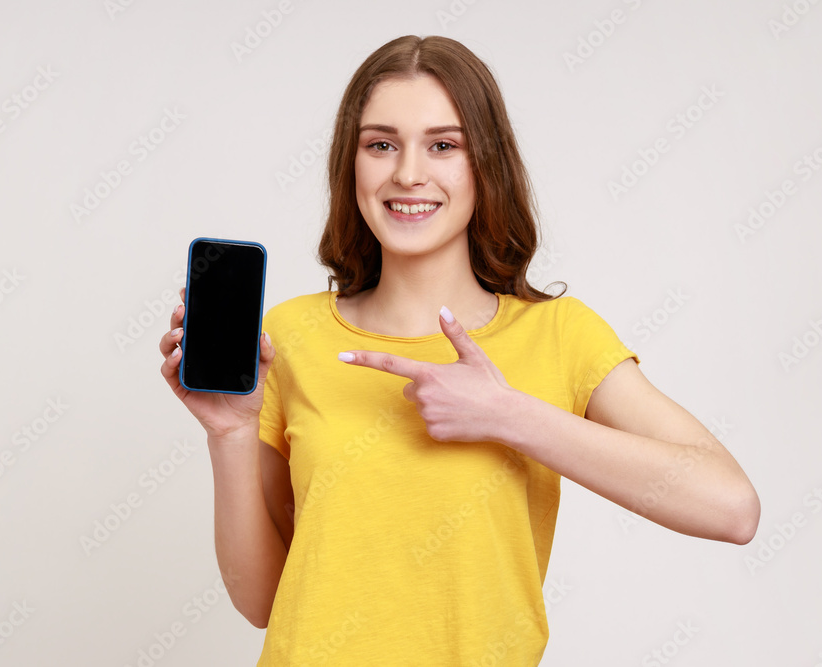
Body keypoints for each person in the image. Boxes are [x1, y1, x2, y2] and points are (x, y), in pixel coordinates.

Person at [159, 35, 760, 666]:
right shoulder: (291, 337)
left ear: (486, 166)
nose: (407, 172)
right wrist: (229, 434)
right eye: (380, 144)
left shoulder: (559, 334)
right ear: (351, 163)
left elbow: (731, 507)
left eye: (443, 145)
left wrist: (506, 415)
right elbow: (262, 602)